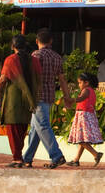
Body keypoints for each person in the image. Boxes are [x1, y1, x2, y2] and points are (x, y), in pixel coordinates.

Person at [22, 29, 72, 168]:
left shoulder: (35, 55)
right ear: (51, 41)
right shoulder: (57, 57)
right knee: (35, 128)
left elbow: (30, 77)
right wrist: (67, 97)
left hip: (37, 96)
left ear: (37, 41)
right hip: (49, 96)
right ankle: (27, 158)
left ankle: (56, 155)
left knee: (42, 126)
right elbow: (62, 80)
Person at [0, 35, 41, 168]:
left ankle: (17, 158)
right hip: (28, 99)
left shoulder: (10, 59)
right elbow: (38, 79)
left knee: (12, 129)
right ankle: (19, 157)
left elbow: (2, 79)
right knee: (22, 129)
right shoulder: (34, 60)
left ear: (13, 47)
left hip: (14, 99)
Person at [68, 73, 104, 167]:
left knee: (80, 139)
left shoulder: (86, 90)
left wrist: (71, 100)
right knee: (83, 139)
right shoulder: (91, 91)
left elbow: (81, 98)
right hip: (87, 115)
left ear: (86, 82)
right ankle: (76, 160)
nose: (79, 85)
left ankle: (96, 154)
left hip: (83, 116)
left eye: (80, 83)